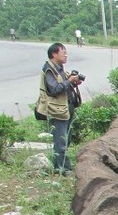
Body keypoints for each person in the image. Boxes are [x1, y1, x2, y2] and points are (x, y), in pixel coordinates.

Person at [35, 43, 82, 176]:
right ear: (54, 54)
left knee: (66, 140)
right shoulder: (49, 69)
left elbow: (62, 84)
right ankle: (63, 169)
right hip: (57, 111)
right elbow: (54, 89)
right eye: (63, 52)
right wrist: (68, 81)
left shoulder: (59, 68)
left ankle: (59, 166)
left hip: (66, 109)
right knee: (60, 141)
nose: (66, 55)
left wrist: (73, 82)